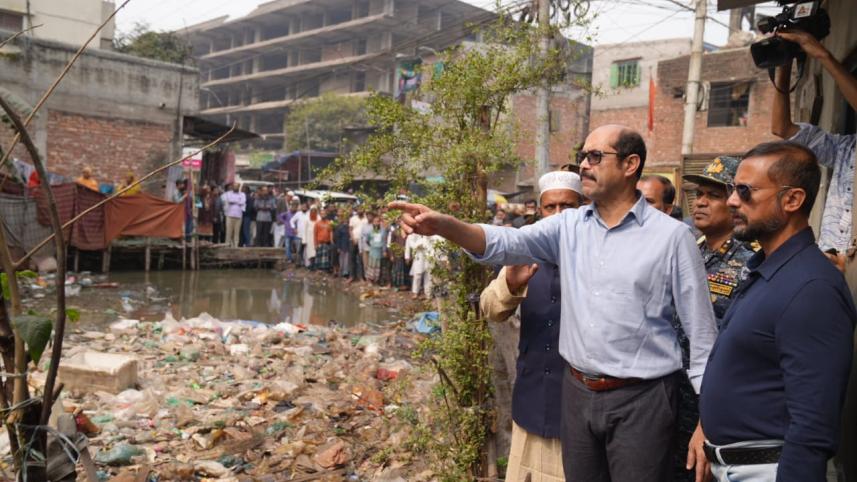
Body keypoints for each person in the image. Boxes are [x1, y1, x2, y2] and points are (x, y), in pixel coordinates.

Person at [390, 124, 718, 482]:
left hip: (642, 400)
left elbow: (702, 337)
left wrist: (709, 419)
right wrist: (444, 226)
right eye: (582, 158)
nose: (584, 166)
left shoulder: (672, 237)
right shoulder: (569, 227)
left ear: (630, 164)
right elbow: (504, 242)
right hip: (577, 393)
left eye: (596, 157)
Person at [699, 141, 856, 482]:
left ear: (792, 200)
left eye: (745, 191)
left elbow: (813, 425)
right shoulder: (769, 269)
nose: (731, 201)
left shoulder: (812, 288)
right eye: (731, 189)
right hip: (730, 465)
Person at [479, 170, 583, 482]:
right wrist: (510, 286)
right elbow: (490, 308)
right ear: (539, 210)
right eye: (550, 207)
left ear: (584, 208)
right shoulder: (525, 249)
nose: (558, 215)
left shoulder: (596, 253)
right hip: (533, 392)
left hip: (579, 402)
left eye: (567, 207)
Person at [666, 157, 757, 482]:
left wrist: (711, 418)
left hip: (717, 407)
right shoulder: (691, 250)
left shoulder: (752, 262)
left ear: (736, 200)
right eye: (699, 193)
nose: (700, 201)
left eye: (713, 195)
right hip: (673, 400)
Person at [771, 29, 857, 269]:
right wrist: (784, 65)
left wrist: (821, 54)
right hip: (829, 265)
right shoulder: (845, 148)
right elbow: (782, 128)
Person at [404, 233, 436, 299]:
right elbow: (408, 246)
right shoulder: (411, 236)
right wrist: (407, 256)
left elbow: (432, 244)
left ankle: (428, 294)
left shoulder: (428, 235)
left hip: (428, 256)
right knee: (417, 275)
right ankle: (415, 292)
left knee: (428, 275)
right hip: (418, 257)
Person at [364, 215, 386, 284]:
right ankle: (370, 280)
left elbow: (384, 241)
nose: (376, 223)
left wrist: (384, 250)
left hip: (380, 251)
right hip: (373, 251)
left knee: (378, 266)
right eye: (375, 222)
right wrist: (373, 245)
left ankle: (377, 280)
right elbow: (367, 240)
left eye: (378, 221)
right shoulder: (370, 231)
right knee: (371, 265)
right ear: (373, 223)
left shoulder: (383, 231)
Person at [223, 183, 245, 248]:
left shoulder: (242, 194)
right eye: (234, 186)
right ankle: (227, 246)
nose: (235, 188)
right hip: (229, 215)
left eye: (237, 186)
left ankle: (235, 246)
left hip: (238, 216)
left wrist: (234, 202)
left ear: (239, 187)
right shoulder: (228, 193)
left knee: (236, 232)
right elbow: (229, 200)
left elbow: (242, 202)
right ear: (232, 187)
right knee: (228, 232)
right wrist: (237, 201)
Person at [349, 208, 367, 283]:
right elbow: (350, 229)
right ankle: (352, 276)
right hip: (354, 240)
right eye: (359, 209)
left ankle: (361, 277)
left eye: (362, 209)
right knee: (352, 259)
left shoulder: (366, 219)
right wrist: (353, 238)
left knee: (361, 260)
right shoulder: (353, 218)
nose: (360, 210)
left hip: (362, 241)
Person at [333, 209, 352, 278]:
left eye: (347, 219)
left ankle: (345, 273)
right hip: (341, 245)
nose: (346, 220)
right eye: (345, 219)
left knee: (347, 260)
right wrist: (338, 247)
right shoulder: (340, 227)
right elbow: (338, 238)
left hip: (348, 245)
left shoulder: (349, 227)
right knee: (341, 259)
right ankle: (341, 272)